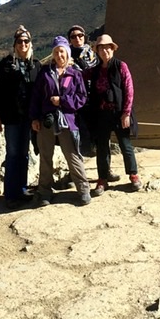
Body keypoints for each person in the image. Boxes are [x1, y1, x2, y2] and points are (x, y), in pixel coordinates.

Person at [30, 36, 91, 207]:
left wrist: (62, 101)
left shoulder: (75, 74)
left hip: (68, 121)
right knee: (46, 156)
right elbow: (36, 97)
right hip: (46, 121)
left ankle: (83, 189)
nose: (59, 55)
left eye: (62, 51)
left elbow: (81, 98)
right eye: (56, 52)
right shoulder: (45, 73)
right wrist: (34, 118)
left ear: (67, 53)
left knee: (72, 155)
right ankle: (44, 192)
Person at [0, 26, 41, 208]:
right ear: (15, 45)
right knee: (13, 154)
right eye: (19, 41)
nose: (23, 44)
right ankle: (11, 194)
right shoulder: (6, 65)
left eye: (26, 41)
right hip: (12, 117)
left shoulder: (36, 65)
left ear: (30, 43)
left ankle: (22, 190)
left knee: (24, 154)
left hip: (29, 117)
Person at [84, 34, 140, 194]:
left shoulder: (121, 66)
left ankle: (133, 175)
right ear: (98, 51)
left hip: (119, 113)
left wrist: (126, 113)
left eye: (107, 47)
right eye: (101, 48)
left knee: (125, 144)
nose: (104, 50)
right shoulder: (93, 71)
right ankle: (102, 179)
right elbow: (79, 77)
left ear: (112, 49)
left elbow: (129, 90)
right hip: (101, 114)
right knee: (102, 147)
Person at [66, 25, 99, 158]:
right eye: (73, 36)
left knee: (98, 136)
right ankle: (78, 172)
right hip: (77, 101)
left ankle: (104, 171)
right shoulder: (67, 57)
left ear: (84, 36)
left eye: (80, 35)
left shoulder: (94, 56)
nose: (77, 38)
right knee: (78, 137)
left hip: (95, 99)